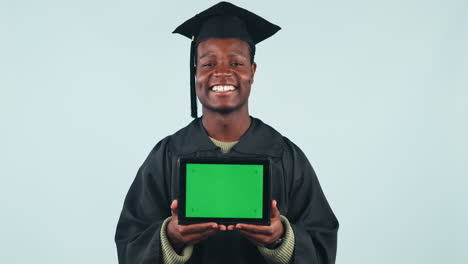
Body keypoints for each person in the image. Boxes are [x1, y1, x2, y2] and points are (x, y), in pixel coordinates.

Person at [114, 2, 339, 264]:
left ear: (252, 72)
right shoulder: (168, 154)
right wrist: (172, 237)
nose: (222, 72)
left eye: (236, 62)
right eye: (208, 64)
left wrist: (281, 238)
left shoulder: (284, 155)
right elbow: (130, 243)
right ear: (195, 72)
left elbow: (322, 242)